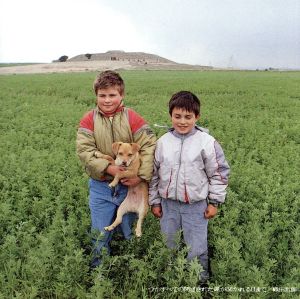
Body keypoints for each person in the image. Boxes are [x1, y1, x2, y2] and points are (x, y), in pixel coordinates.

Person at [76, 70, 156, 268]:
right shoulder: (88, 119)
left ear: (122, 95)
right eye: (102, 95)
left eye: (112, 95)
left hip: (130, 188)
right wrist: (109, 168)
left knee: (129, 231)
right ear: (96, 95)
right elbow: (85, 151)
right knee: (99, 233)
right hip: (101, 187)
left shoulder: (133, 118)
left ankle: (132, 270)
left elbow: (149, 146)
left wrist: (140, 176)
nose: (107, 100)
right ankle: (99, 272)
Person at [149, 91, 230, 283]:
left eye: (188, 117)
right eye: (177, 116)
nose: (182, 121)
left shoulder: (207, 143)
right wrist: (154, 201)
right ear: (170, 116)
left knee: (197, 248)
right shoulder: (162, 143)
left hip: (196, 206)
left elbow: (219, 174)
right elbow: (153, 176)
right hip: (168, 206)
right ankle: (171, 281)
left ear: (197, 117)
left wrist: (214, 202)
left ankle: (199, 283)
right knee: (169, 245)